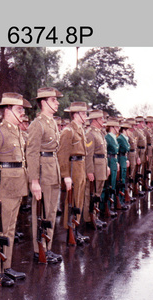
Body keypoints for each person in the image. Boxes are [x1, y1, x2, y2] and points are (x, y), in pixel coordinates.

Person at [0, 92, 30, 287]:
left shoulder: (17, 131)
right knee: (0, 229)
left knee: (9, 228)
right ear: (7, 111)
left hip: (16, 186)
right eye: (19, 109)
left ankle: (6, 266)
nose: (22, 113)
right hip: (3, 188)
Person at [27, 87, 63, 263]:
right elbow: (32, 153)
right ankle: (39, 249)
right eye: (53, 100)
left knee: (50, 211)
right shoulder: (37, 124)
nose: (57, 103)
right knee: (41, 211)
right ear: (43, 103)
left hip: (52, 169)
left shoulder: (52, 123)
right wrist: (34, 181)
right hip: (42, 171)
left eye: (56, 100)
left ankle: (47, 247)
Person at [57, 101, 90, 245]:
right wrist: (66, 176)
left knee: (79, 200)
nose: (86, 116)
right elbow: (62, 155)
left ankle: (76, 229)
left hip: (80, 165)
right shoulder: (68, 131)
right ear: (76, 115)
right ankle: (70, 230)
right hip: (72, 166)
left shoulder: (80, 130)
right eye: (83, 114)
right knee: (72, 200)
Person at [82, 109, 109, 230]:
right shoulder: (90, 134)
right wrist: (89, 171)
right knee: (90, 194)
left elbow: (104, 153)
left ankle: (95, 215)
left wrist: (106, 166)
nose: (103, 121)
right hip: (95, 167)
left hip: (101, 166)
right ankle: (88, 219)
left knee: (97, 193)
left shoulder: (100, 133)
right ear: (95, 120)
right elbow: (88, 154)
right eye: (101, 119)